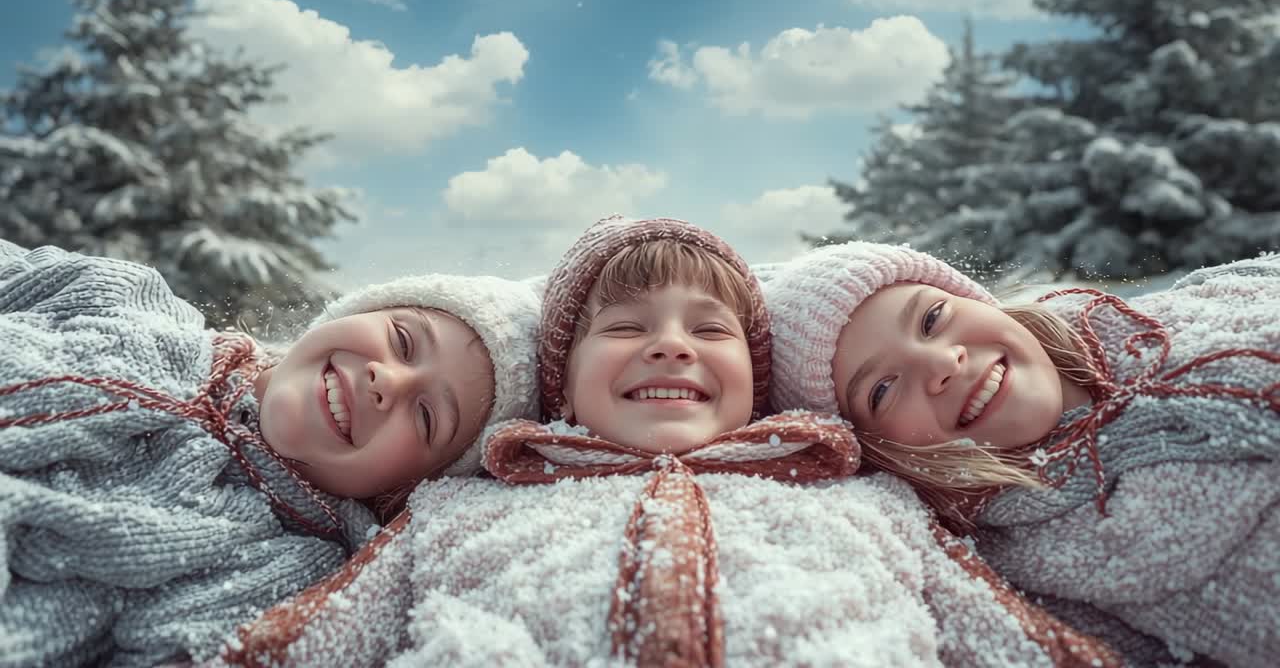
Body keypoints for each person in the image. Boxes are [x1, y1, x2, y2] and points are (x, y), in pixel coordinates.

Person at [226, 216, 1122, 667]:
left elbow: (997, 632)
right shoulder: (458, 505)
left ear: (761, 384)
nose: (670, 344)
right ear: (563, 387)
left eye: (710, 329)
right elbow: (322, 635)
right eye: (623, 330)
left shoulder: (863, 498)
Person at [0, 238, 540, 667]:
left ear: (404, 488)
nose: (387, 381)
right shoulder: (124, 297)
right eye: (402, 339)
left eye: (426, 417)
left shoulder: (282, 568)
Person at [763, 240, 1280, 667]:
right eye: (881, 390)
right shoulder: (1029, 567)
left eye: (933, 318)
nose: (943, 362)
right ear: (883, 451)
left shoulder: (1184, 313)